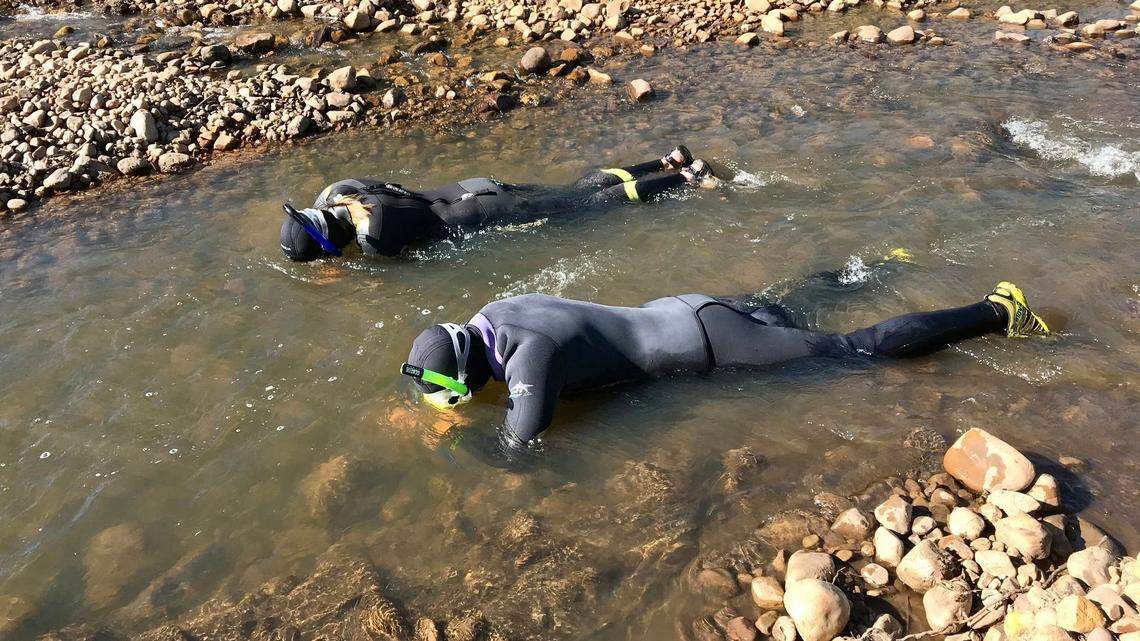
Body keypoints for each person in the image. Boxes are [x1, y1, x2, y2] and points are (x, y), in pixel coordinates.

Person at [400, 275, 1051, 466]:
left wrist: (453, 440)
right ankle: (870, 267)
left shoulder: (529, 355)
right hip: (681, 305)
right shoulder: (491, 312)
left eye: (450, 395)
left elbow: (522, 441)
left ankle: (997, 312)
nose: (449, 404)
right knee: (789, 309)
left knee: (855, 353)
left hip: (710, 344)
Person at [278, 146, 717, 261]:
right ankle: (667, 159)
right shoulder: (343, 189)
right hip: (475, 185)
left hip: (488, 214)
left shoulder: (374, 242)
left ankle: (684, 175)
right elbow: (329, 205)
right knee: (573, 190)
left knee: (589, 206)